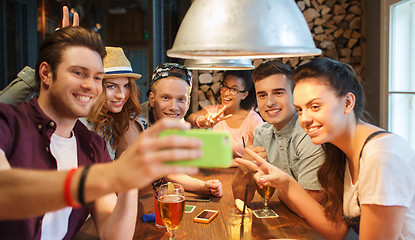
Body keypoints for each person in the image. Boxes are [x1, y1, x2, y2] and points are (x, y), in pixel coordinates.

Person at [0, 26, 201, 239]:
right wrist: (113, 174)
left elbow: (114, 234)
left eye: (97, 77)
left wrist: (128, 182)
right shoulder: (8, 123)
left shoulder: (93, 146)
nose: (90, 86)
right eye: (79, 73)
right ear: (46, 74)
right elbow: (6, 191)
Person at [237, 57, 415, 239]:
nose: (304, 119)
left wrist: (285, 189)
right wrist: (286, 183)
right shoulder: (339, 150)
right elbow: (337, 229)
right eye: (299, 109)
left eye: (315, 106)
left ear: (347, 103)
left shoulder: (382, 157)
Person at [232, 60, 324, 216]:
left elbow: (311, 205)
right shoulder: (261, 132)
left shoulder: (310, 132)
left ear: (295, 95)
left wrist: (281, 193)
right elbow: (242, 199)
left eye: (278, 92)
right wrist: (244, 169)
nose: (270, 102)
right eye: (262, 95)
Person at [141, 63, 223, 197]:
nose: (174, 107)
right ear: (152, 99)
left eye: (181, 99)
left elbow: (170, 172)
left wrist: (203, 186)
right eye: (166, 98)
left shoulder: (177, 123)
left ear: (188, 102)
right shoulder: (134, 123)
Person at [187, 70, 263, 166]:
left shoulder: (254, 120)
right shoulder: (215, 112)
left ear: (244, 95)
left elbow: (260, 157)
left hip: (241, 173)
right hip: (213, 172)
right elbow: (190, 118)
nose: (226, 93)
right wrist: (203, 121)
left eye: (234, 89)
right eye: (225, 86)